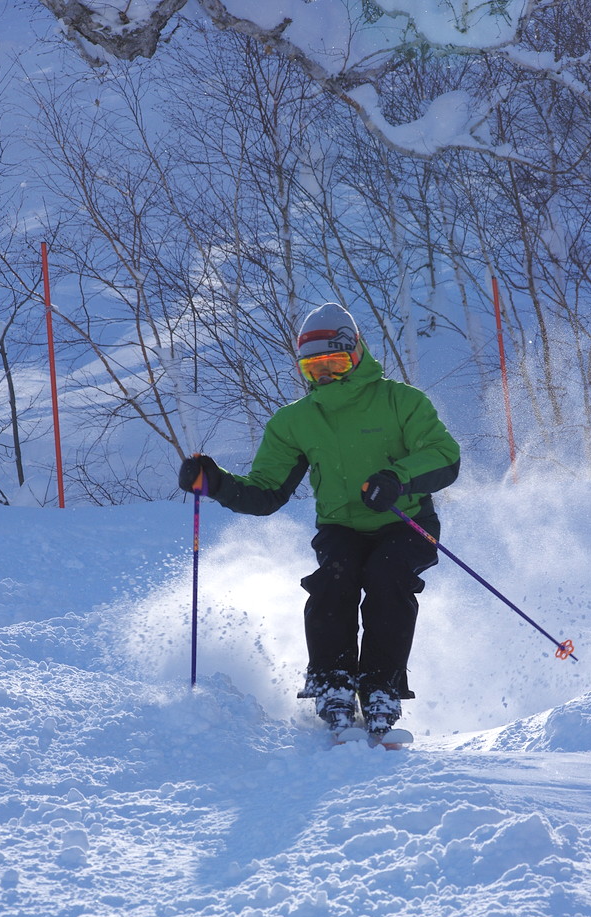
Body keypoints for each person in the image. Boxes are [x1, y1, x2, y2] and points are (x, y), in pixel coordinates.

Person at [178, 303, 460, 740]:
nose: (326, 374)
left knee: (387, 576)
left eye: (336, 361)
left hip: (404, 521)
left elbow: (444, 456)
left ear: (357, 353)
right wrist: (215, 483)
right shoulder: (296, 422)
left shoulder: (401, 402)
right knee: (335, 577)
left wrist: (397, 479)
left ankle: (381, 688)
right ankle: (334, 683)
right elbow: (266, 491)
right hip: (341, 527)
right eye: (314, 367)